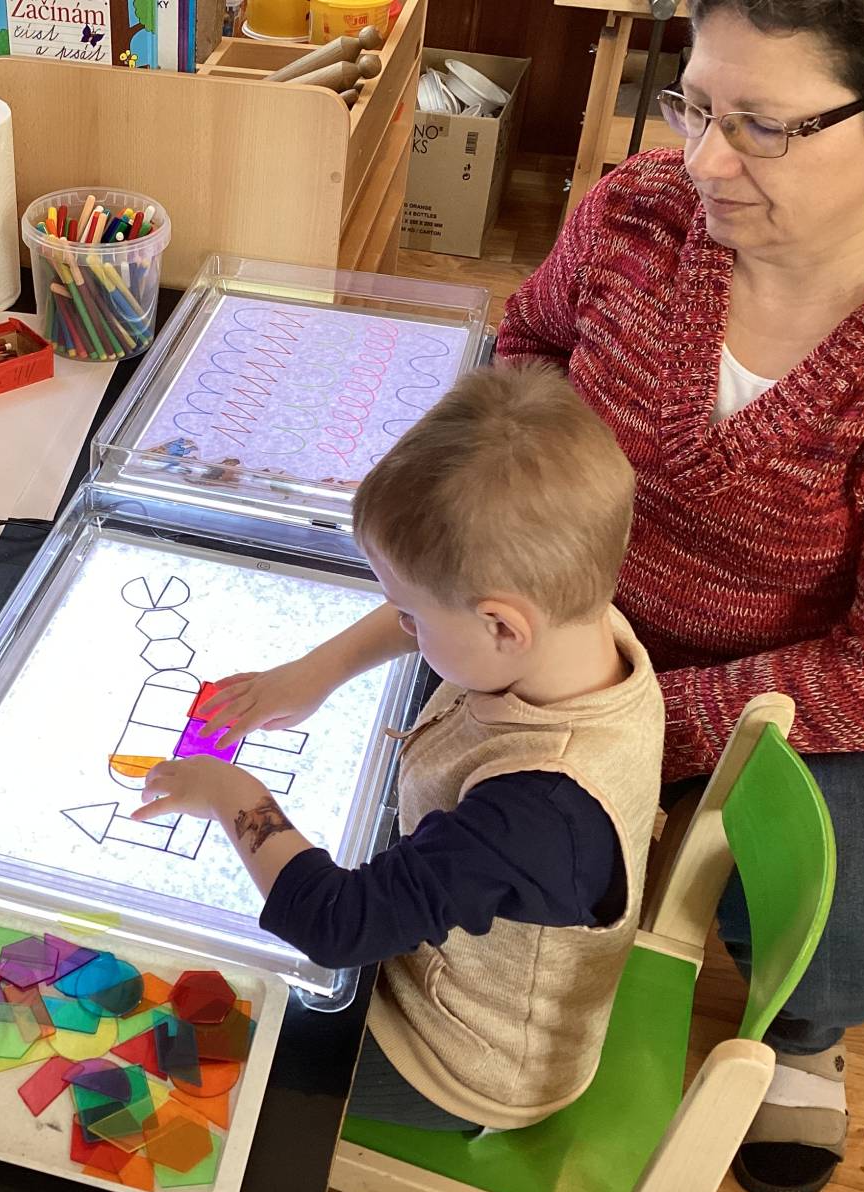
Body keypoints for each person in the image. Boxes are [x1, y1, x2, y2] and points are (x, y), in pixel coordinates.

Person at [494, 3, 864, 1192]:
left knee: (839, 958)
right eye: (693, 105)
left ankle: (804, 1036)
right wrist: (523, 546)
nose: (702, 160)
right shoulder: (634, 213)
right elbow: (528, 343)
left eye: (762, 126)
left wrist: (641, 722)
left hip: (812, 678)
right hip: (582, 607)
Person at [136, 364, 667, 1132]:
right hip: (445, 950)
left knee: (178, 1042)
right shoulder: (576, 621)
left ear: (502, 625)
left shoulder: (541, 812)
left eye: (413, 616)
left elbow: (337, 925)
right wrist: (316, 672)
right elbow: (443, 598)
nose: (405, 625)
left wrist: (229, 791)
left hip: (453, 1059)